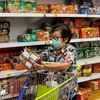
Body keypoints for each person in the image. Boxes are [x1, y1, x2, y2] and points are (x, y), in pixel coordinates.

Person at [33, 24, 78, 100]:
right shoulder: (51, 49)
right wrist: (29, 57)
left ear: (66, 39)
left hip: (67, 91)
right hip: (52, 89)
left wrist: (45, 66)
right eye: (53, 38)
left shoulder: (71, 50)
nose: (54, 40)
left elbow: (65, 65)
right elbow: (40, 57)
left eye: (57, 38)